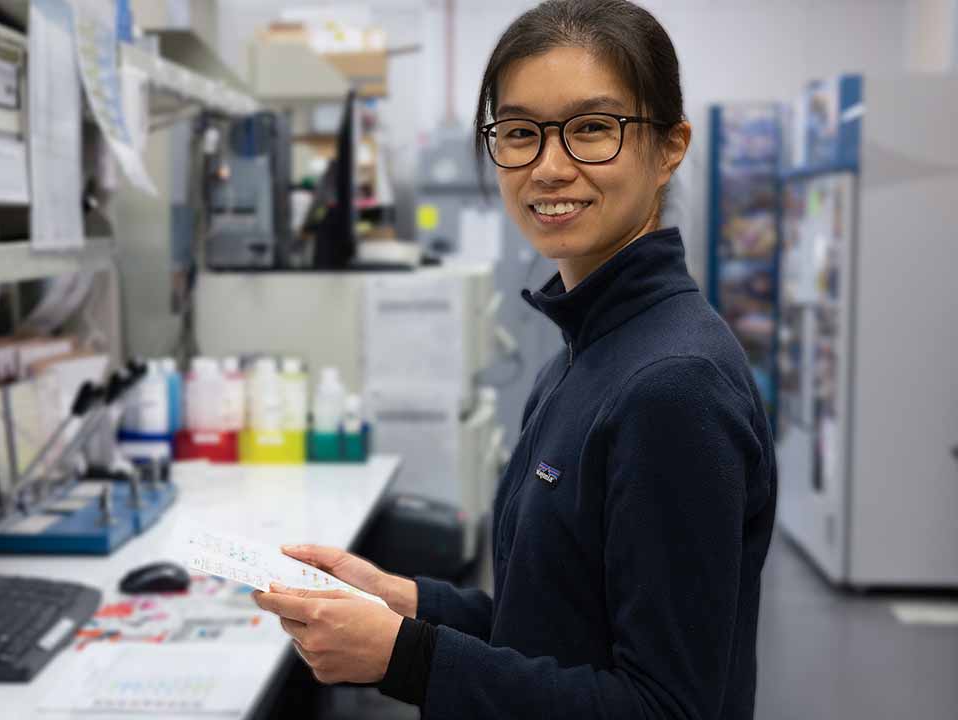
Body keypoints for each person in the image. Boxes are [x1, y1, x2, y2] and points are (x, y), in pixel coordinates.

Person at [253, 1, 777, 717]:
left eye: (593, 128)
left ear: (668, 147)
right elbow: (558, 629)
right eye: (521, 132)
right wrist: (401, 600)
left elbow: (663, 708)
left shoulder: (672, 386)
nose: (549, 167)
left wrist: (405, 658)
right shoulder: (582, 354)